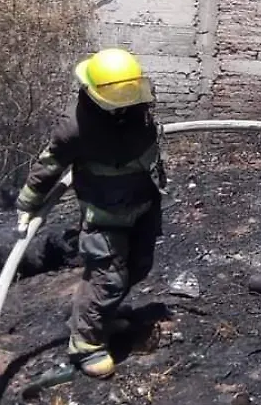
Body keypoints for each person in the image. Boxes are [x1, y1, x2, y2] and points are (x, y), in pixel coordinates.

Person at [14, 48, 167, 380]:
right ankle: (85, 343)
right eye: (119, 99)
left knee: (138, 268)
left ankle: (102, 318)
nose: (126, 104)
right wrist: (28, 204)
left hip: (142, 206)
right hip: (105, 217)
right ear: (95, 93)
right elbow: (49, 165)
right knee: (107, 279)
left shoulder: (137, 109)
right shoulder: (76, 127)